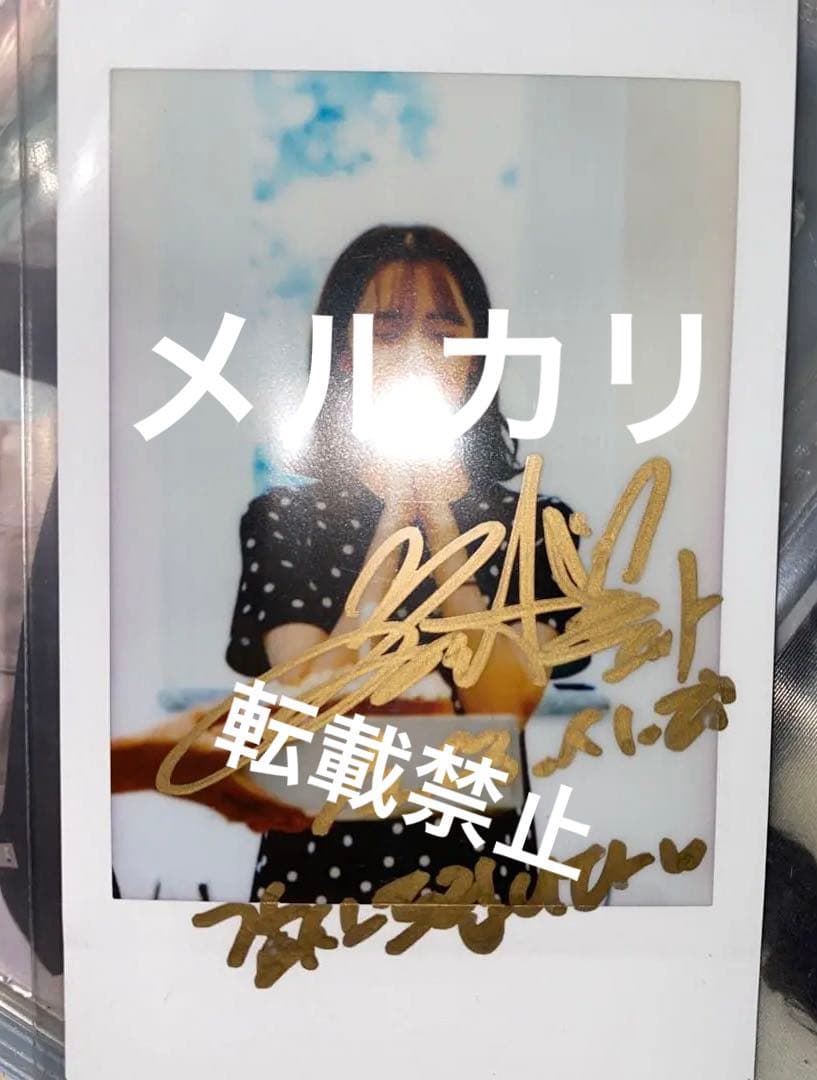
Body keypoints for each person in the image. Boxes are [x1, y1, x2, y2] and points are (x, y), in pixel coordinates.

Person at [227, 225, 584, 902]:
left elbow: (501, 704)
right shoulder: (283, 521)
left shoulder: (538, 525)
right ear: (343, 354)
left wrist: (440, 519)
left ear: (478, 358)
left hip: (480, 864)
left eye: (444, 332)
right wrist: (394, 516)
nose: (418, 353)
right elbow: (315, 697)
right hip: (317, 859)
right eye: (386, 332)